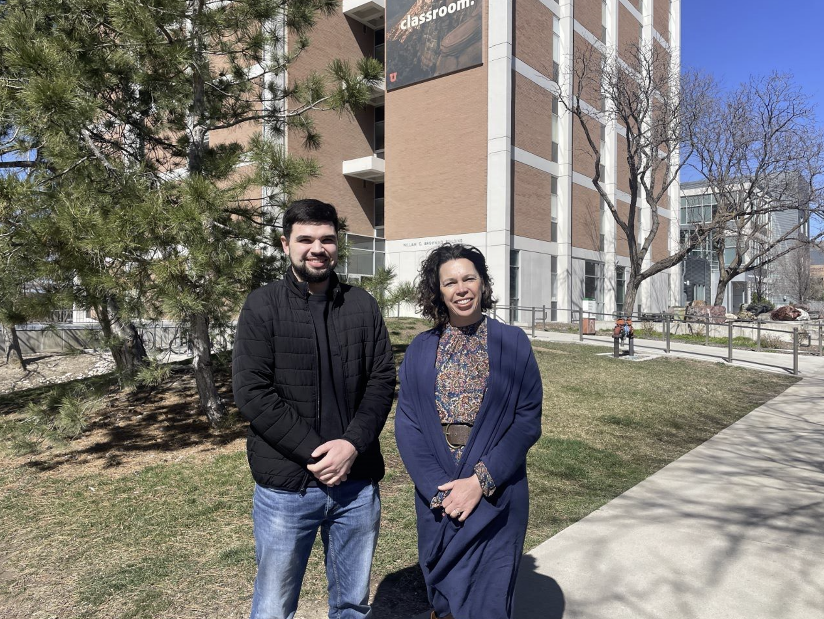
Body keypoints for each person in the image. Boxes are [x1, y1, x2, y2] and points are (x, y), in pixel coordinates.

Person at [232, 199, 396, 619]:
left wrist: (351, 445)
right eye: (305, 239)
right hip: (288, 489)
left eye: (326, 239)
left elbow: (381, 382)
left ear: (337, 244)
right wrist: (317, 453)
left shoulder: (362, 305)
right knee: (273, 607)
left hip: (356, 486)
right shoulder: (262, 306)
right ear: (285, 244)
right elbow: (252, 392)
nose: (316, 248)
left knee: (351, 605)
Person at [395, 243, 543, 619]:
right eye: (450, 282)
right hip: (439, 496)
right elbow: (408, 424)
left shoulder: (513, 343)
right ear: (437, 291)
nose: (461, 289)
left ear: (482, 283)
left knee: (489, 601)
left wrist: (480, 481)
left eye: (468, 278)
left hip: (497, 493)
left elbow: (526, 421)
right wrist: (438, 491)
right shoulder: (420, 349)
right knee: (443, 600)